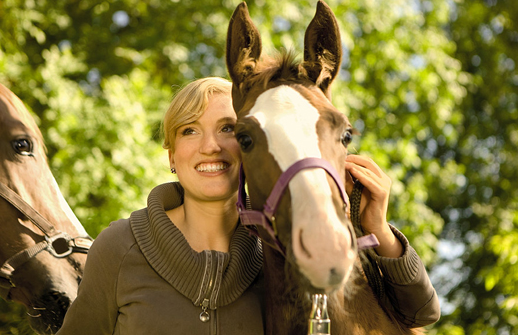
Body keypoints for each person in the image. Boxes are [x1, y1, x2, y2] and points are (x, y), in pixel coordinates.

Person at [56, 77, 439, 334]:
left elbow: (420, 313)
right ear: (172, 155)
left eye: (228, 129)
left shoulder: (284, 252)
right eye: (189, 130)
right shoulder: (120, 248)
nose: (210, 146)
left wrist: (379, 231)